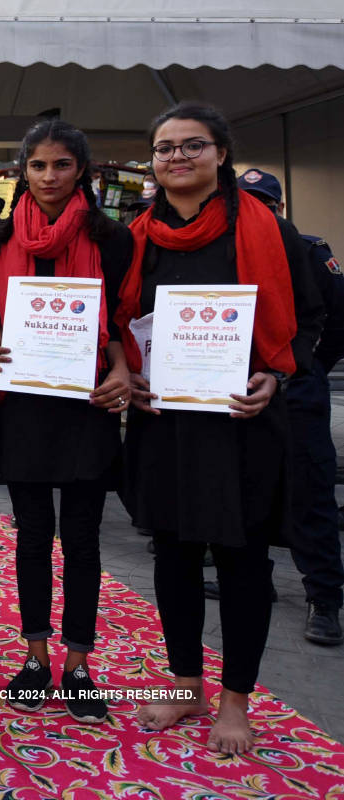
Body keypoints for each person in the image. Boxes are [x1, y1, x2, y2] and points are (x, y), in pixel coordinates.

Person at [118, 102, 323, 754]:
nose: (176, 157)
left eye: (191, 146)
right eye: (164, 147)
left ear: (219, 154)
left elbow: (314, 318)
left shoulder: (268, 230)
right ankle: (186, 683)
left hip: (242, 424)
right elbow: (116, 322)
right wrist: (125, 370)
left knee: (241, 560)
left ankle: (235, 699)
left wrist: (278, 376)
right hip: (163, 420)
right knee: (172, 555)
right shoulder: (135, 237)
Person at [0, 120, 135, 723]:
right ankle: (35, 656)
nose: (49, 177)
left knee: (83, 537)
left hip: (87, 404)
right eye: (38, 166)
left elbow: (123, 318)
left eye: (61, 165)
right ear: (24, 171)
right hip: (22, 405)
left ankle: (78, 665)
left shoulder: (113, 237)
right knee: (31, 534)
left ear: (83, 171)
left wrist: (121, 367)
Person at [233, 168, 343, 646]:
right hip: (242, 386)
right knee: (248, 488)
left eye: (264, 202)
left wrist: (305, 366)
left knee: (309, 491)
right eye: (247, 201)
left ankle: (325, 598)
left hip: (297, 388)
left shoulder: (309, 250)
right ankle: (254, 579)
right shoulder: (229, 249)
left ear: (278, 208)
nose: (256, 210)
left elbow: (337, 320)